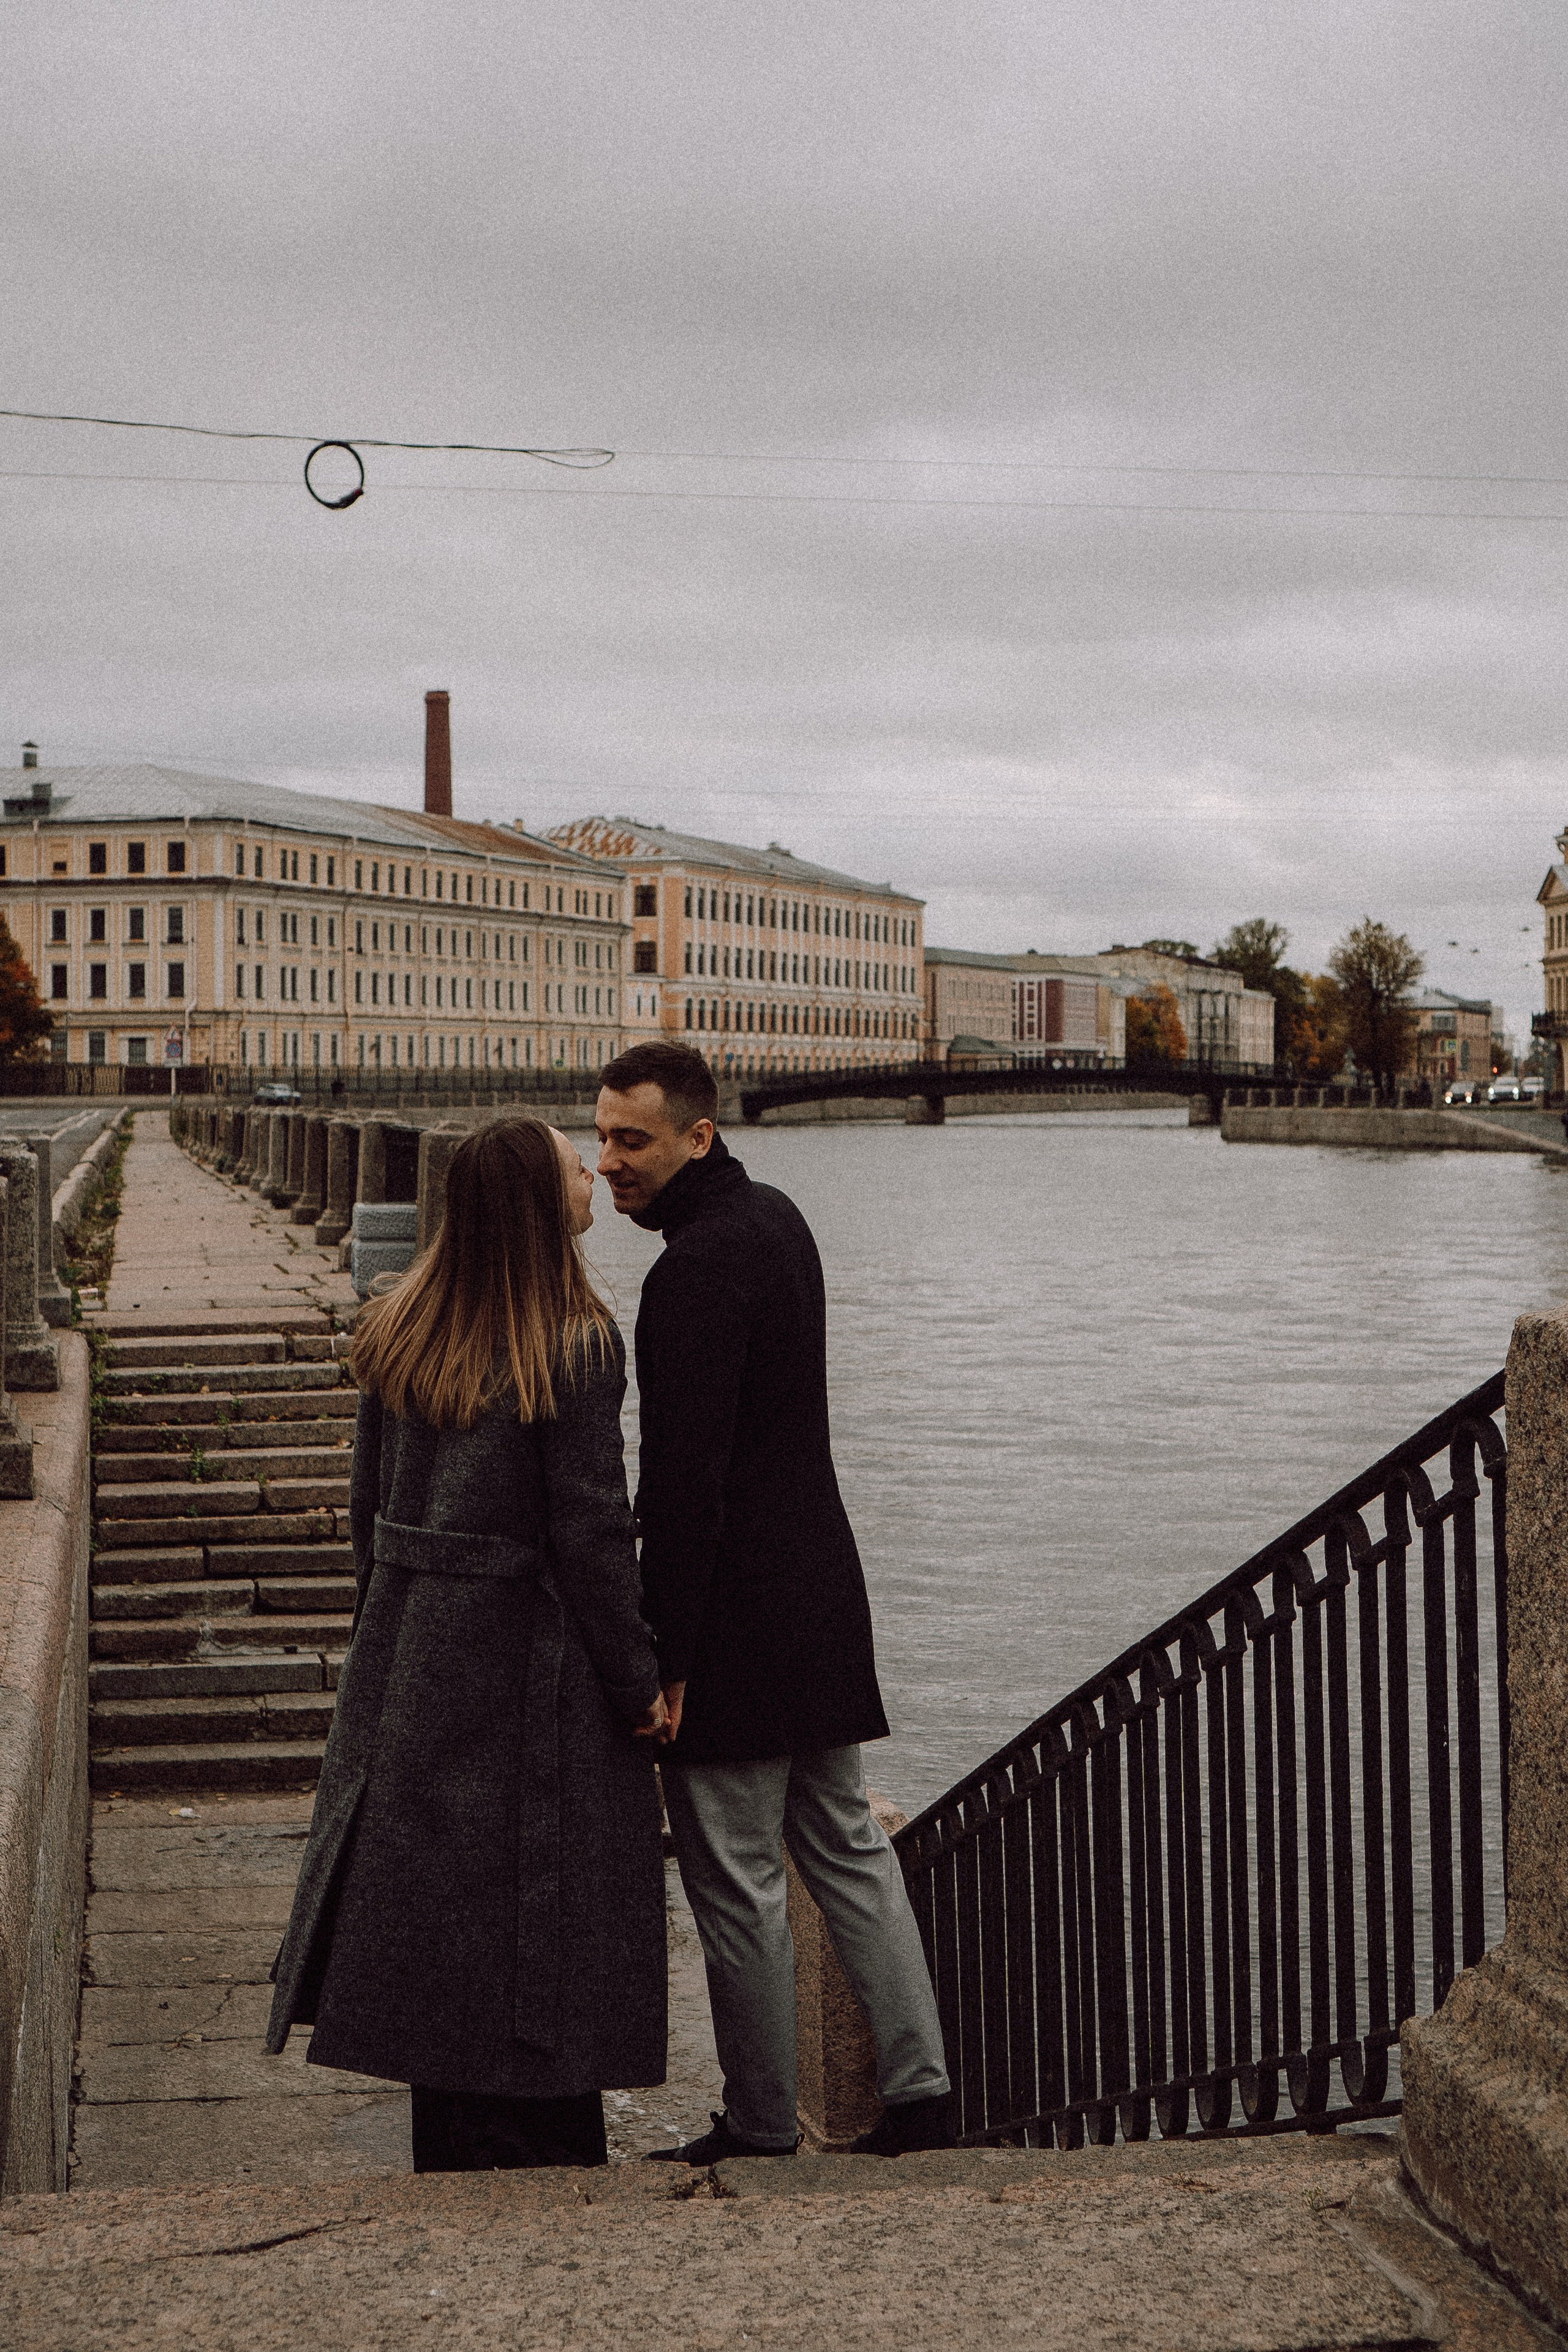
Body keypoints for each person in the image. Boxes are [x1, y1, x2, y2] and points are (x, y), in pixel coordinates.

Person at [266, 1117, 669, 2172]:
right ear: (538, 1200)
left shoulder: (397, 1322)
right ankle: (545, 2159)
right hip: (532, 1663)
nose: (593, 1177)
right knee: (539, 1910)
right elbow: (592, 1533)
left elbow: (365, 1512)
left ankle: (448, 2148)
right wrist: (638, 1683)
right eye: (573, 1167)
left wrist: (388, 1634)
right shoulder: (575, 1341)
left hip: (412, 1649)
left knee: (433, 1907)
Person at [595, 1040, 953, 2162]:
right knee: (847, 1847)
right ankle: (925, 2095)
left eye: (632, 1140)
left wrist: (666, 1655)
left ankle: (759, 2123)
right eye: (600, 1138)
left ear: (697, 1135)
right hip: (819, 1595)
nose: (608, 1162)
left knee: (737, 1879)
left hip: (732, 1623)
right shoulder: (780, 1219)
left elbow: (684, 1485)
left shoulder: (690, 1272)